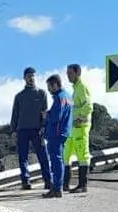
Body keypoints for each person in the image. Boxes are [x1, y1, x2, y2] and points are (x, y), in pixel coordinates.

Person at [9, 66, 52, 190]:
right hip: (22, 129)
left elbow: (44, 112)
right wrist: (13, 130)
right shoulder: (19, 96)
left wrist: (44, 127)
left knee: (43, 156)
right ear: (24, 78)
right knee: (23, 157)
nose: (31, 78)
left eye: (33, 75)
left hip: (37, 130)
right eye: (29, 76)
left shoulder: (41, 93)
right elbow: (15, 114)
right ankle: (25, 181)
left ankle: (48, 180)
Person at [43, 74, 73, 199]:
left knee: (56, 160)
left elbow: (56, 117)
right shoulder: (68, 96)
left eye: (49, 86)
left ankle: (57, 188)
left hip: (55, 133)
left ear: (55, 84)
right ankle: (58, 187)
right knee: (59, 159)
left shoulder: (59, 98)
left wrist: (47, 115)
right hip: (64, 132)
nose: (48, 89)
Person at [63, 64, 92, 193]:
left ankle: (83, 185)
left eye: (70, 73)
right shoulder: (76, 89)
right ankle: (69, 184)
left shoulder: (81, 88)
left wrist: (78, 118)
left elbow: (88, 107)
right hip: (74, 128)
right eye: (67, 73)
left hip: (80, 127)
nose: (68, 76)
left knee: (83, 155)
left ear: (78, 72)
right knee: (68, 154)